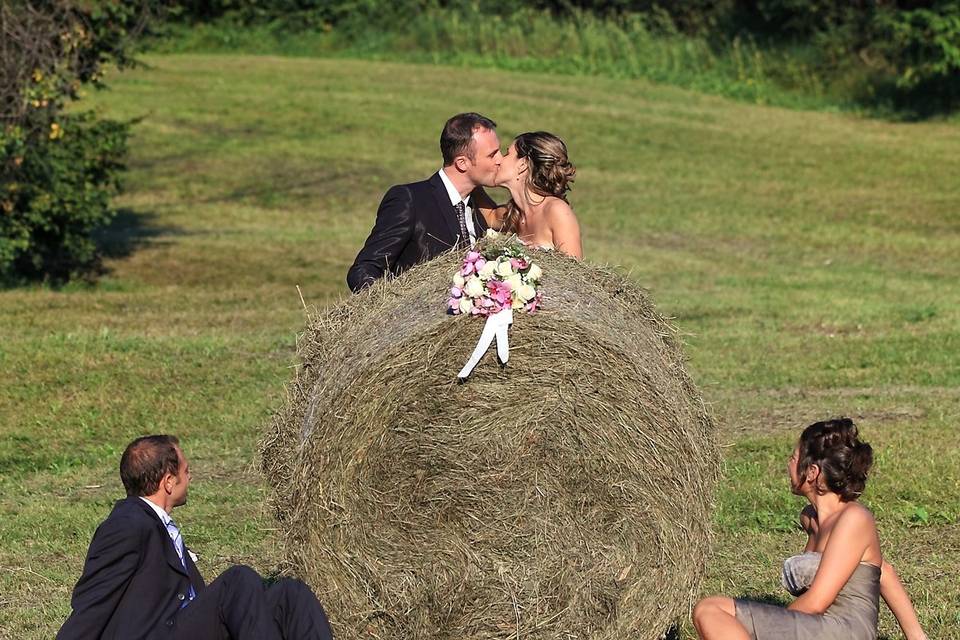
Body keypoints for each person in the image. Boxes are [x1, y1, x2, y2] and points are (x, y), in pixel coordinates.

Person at [57, 435, 334, 640]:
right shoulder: (127, 524)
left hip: (186, 628)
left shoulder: (154, 523)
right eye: (186, 471)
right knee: (238, 581)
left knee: (289, 593)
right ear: (168, 482)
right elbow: (93, 601)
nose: (190, 478)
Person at [692, 418, 927, 640]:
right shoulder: (810, 519)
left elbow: (817, 602)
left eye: (794, 458)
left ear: (812, 472)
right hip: (818, 626)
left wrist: (917, 636)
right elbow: (882, 570)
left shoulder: (853, 518)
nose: (788, 464)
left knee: (710, 609)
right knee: (716, 611)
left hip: (843, 631)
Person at [347, 112, 502, 293]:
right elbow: (364, 270)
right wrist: (394, 312)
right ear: (462, 163)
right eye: (492, 155)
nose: (501, 160)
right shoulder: (410, 200)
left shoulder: (483, 208)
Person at [482, 131, 582, 259]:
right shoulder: (513, 213)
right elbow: (487, 215)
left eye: (507, 153)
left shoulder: (556, 211)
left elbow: (574, 272)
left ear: (523, 164)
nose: (499, 160)